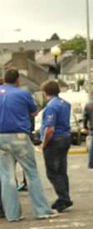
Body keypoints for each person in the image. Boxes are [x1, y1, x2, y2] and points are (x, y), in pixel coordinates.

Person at [0, 69, 56, 221]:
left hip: (0, 137)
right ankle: (41, 210)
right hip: (19, 135)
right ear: (17, 80)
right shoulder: (23, 93)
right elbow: (34, 112)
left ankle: (13, 214)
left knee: (6, 176)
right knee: (31, 173)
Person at [39, 80, 74, 212]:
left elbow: (50, 128)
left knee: (53, 172)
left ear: (45, 92)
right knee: (61, 170)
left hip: (55, 140)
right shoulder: (65, 103)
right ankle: (65, 196)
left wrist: (44, 143)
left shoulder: (51, 107)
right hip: (65, 137)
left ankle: (63, 198)